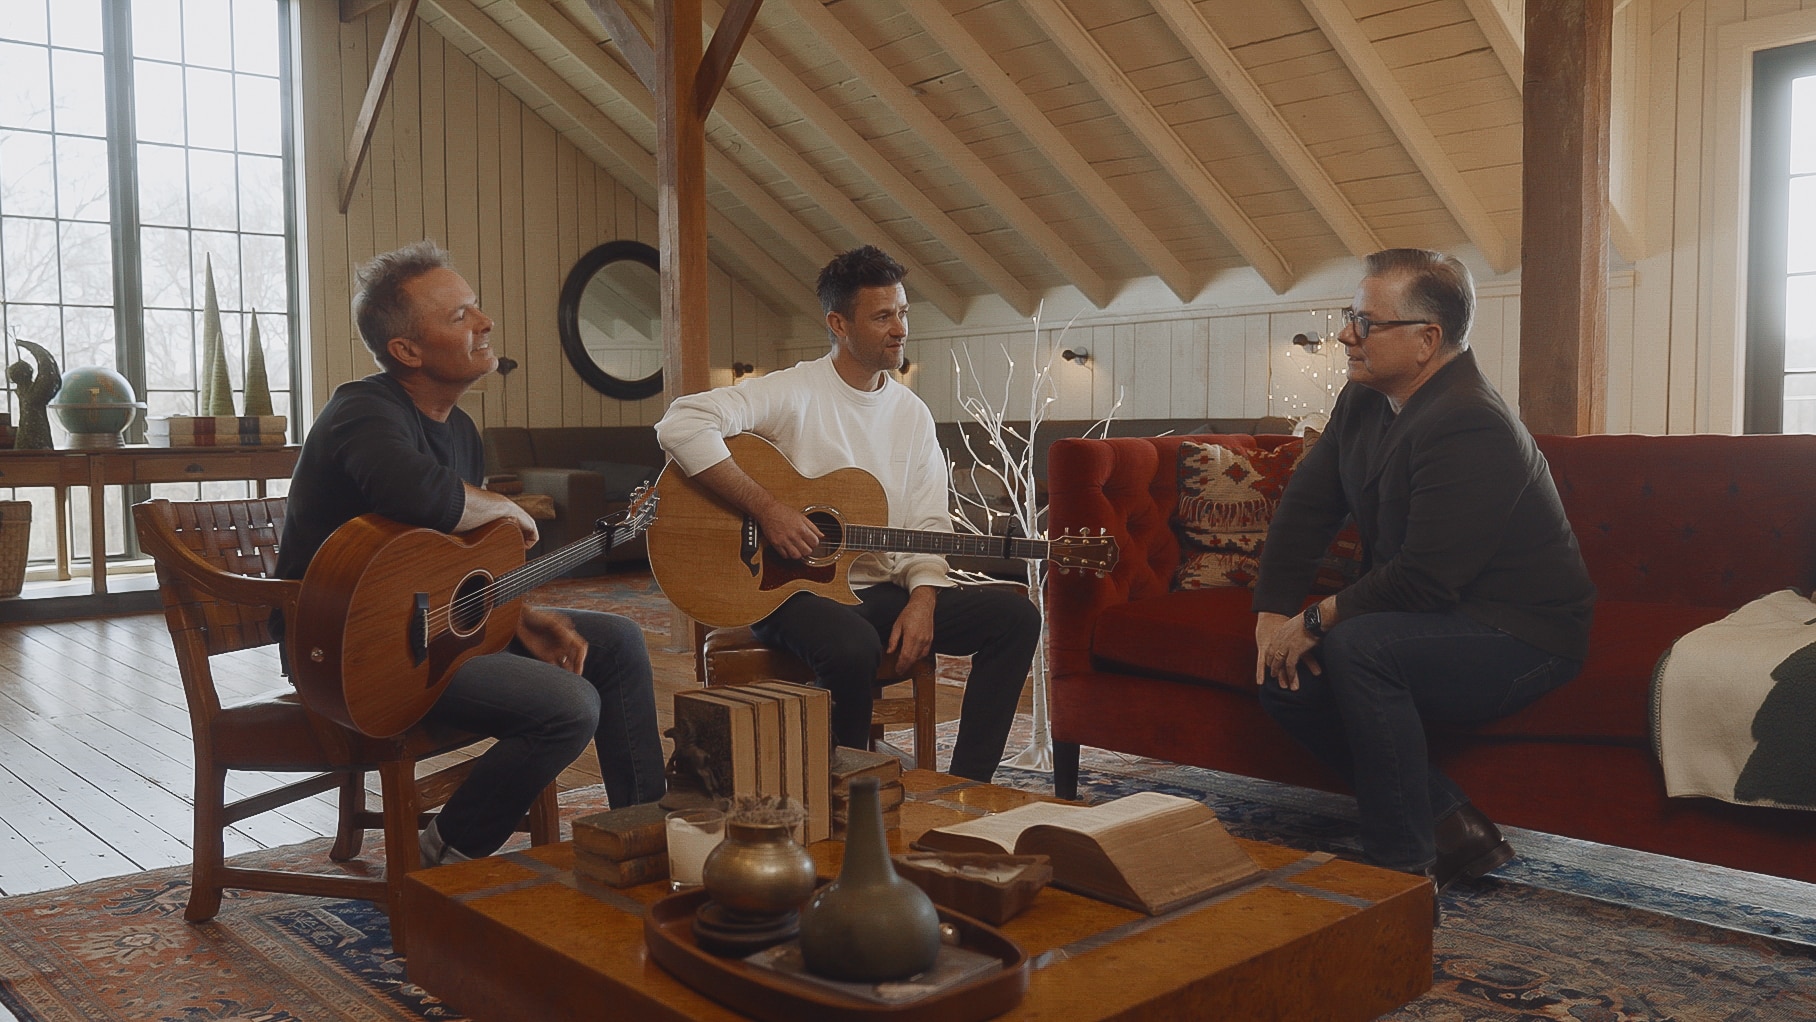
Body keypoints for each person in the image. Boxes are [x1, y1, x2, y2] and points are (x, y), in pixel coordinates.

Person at [275, 240, 665, 865]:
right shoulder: (361, 409)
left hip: (427, 628)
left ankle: (641, 835)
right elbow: (411, 490)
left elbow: (457, 559)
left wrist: (521, 613)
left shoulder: (458, 429)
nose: (484, 324)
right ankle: (449, 849)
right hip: (350, 651)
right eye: (459, 316)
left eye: (475, 307)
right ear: (406, 350)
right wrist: (509, 506)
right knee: (568, 705)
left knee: (616, 642)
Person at [1251, 248, 1595, 892]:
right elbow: (1306, 509)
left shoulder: (1470, 421)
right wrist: (1273, 616)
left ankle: (1400, 872)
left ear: (1426, 339)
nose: (1345, 334)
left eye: (1364, 321)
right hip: (1432, 615)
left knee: (1358, 646)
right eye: (1348, 316)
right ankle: (1451, 825)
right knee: (1284, 676)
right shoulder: (1364, 400)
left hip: (1521, 634)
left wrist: (1317, 617)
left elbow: (1427, 579)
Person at [655, 245, 1040, 782]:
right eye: (883, 316)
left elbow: (928, 524)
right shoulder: (793, 391)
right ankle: (845, 796)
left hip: (876, 591)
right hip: (788, 589)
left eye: (903, 313)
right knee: (851, 646)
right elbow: (680, 424)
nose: (900, 329)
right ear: (838, 323)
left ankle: (964, 787)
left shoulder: (911, 413)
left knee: (1016, 616)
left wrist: (924, 599)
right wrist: (768, 510)